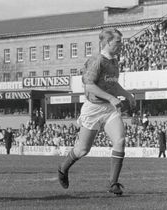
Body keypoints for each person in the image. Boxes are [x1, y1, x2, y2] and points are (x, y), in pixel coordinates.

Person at [57, 28, 136, 196]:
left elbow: (113, 84)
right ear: (107, 42)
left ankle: (113, 184)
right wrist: (112, 98)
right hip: (93, 109)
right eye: (117, 42)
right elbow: (89, 86)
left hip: (109, 109)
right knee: (82, 150)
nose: (120, 45)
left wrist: (126, 94)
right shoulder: (96, 60)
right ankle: (63, 168)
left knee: (120, 140)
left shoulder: (114, 61)